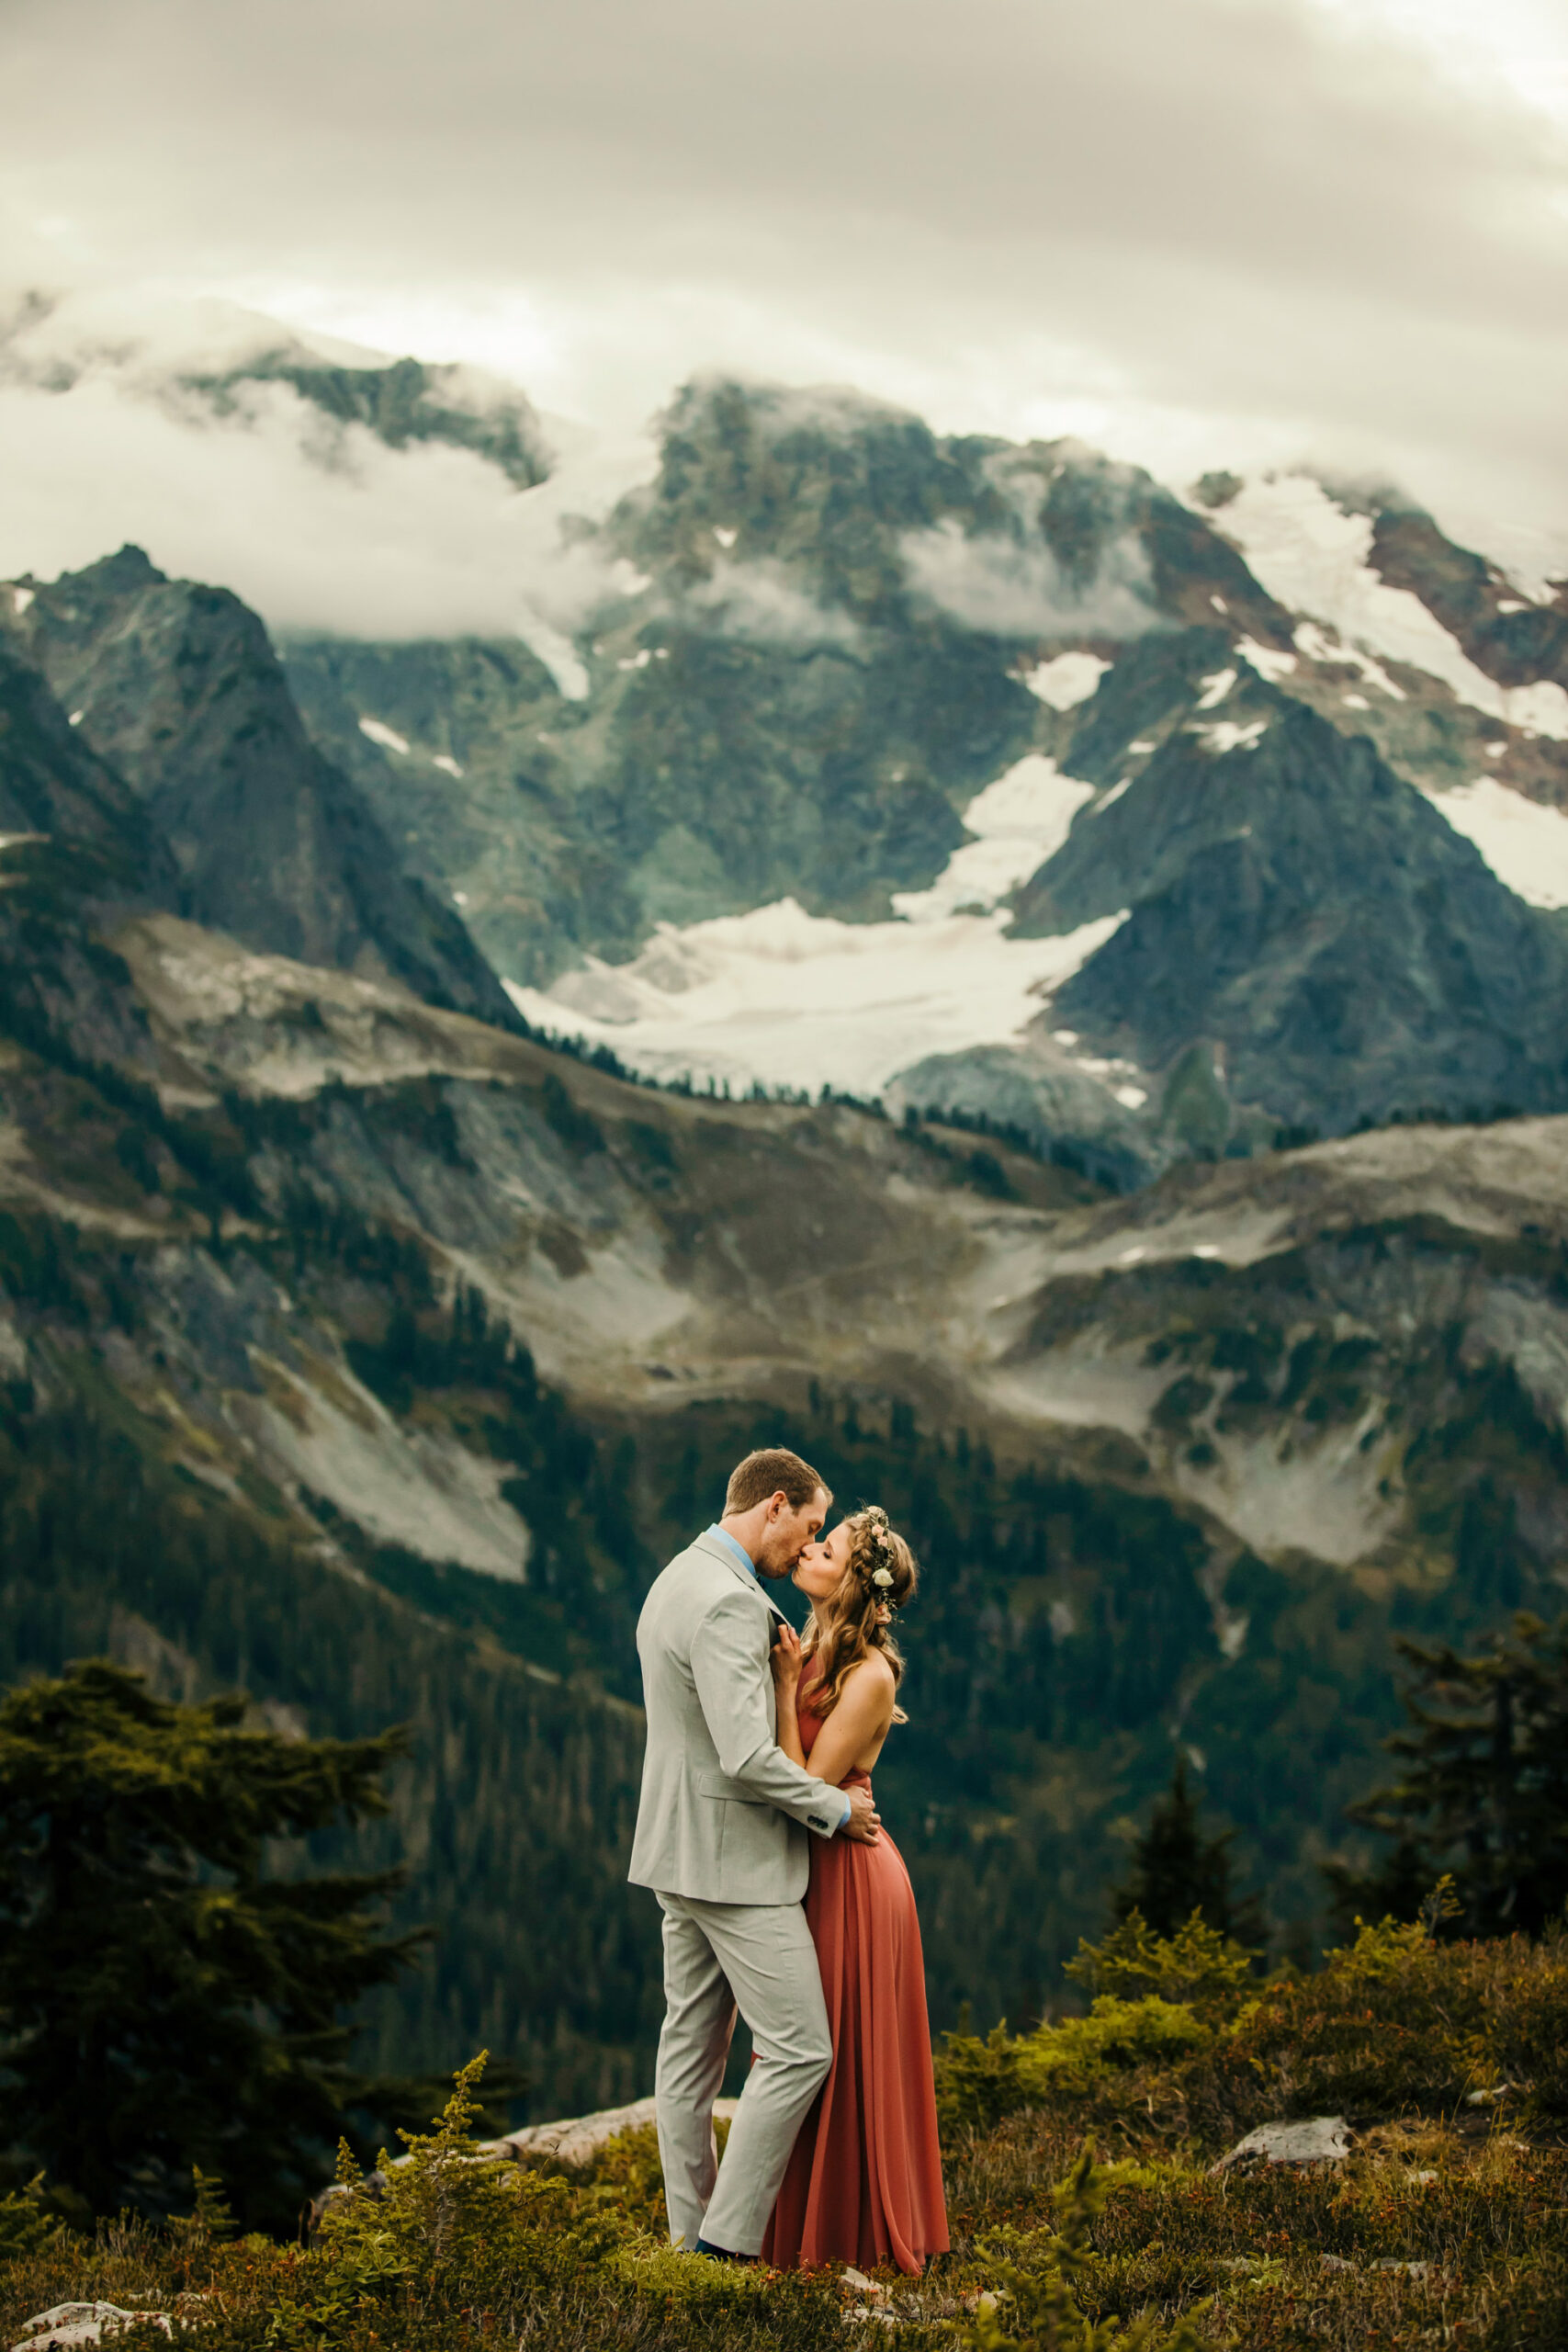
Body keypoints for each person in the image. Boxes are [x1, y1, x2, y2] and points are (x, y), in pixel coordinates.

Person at [628, 1447, 882, 2262]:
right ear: (774, 1506)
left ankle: (685, 2241)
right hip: (735, 1865)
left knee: (689, 2059)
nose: (803, 1548)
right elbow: (744, 1755)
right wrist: (833, 1807)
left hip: (676, 1851)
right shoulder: (729, 1604)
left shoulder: (679, 1574)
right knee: (802, 2049)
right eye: (806, 1527)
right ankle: (726, 2247)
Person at [761, 1505, 949, 2275]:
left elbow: (805, 1785)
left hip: (854, 1877)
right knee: (803, 2048)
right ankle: (799, 2230)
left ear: (852, 1581)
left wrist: (779, 1690)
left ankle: (849, 2235)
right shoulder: (809, 1644)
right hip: (819, 1862)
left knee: (833, 2051)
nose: (809, 1547)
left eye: (826, 1546)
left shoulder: (868, 1675)